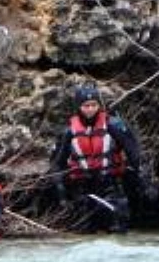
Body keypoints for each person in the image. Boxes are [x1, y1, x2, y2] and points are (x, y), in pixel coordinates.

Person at [48, 83, 149, 233]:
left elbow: (134, 153)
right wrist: (62, 195)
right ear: (79, 107)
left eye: (94, 105)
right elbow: (57, 165)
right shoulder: (69, 132)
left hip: (110, 185)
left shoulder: (114, 125)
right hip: (83, 189)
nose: (90, 109)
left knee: (117, 227)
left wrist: (140, 180)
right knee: (83, 230)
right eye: (86, 105)